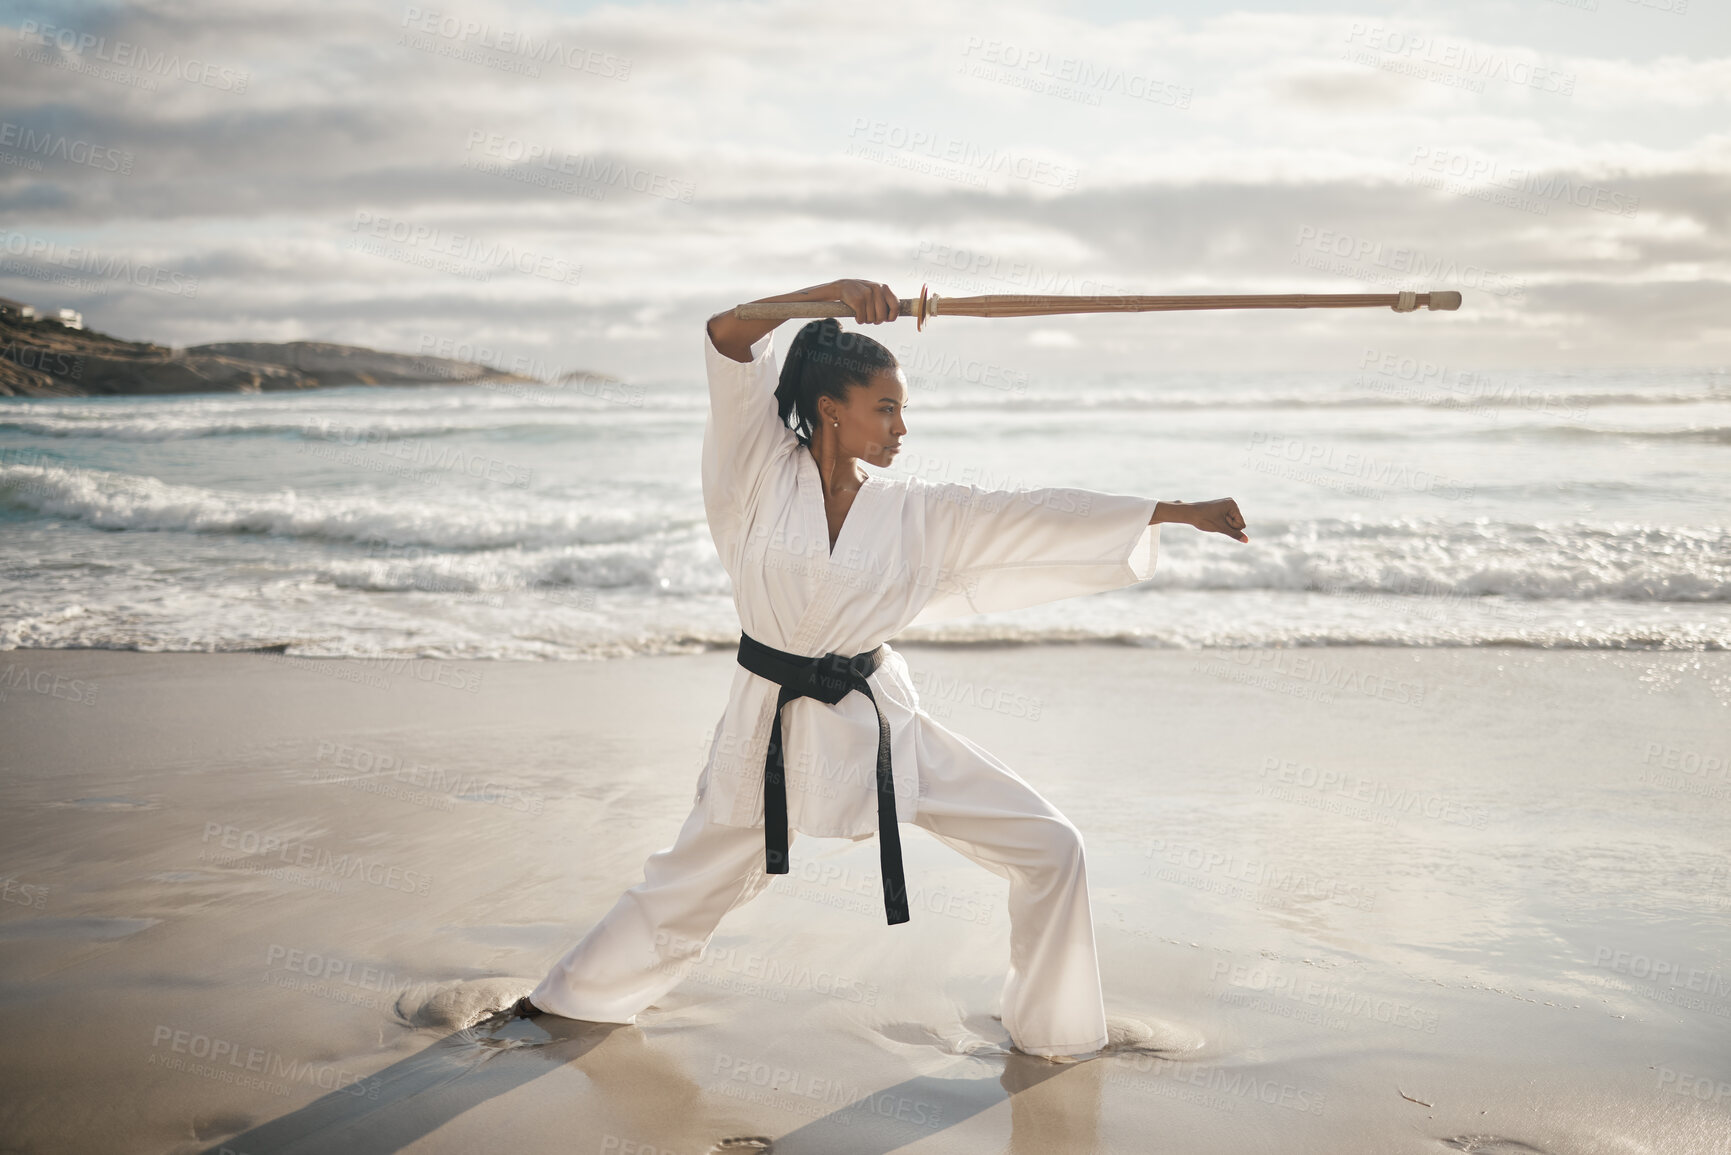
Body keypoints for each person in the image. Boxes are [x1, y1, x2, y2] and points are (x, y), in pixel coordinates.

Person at [508, 278, 1249, 1062]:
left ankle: (1053, 1030)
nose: (902, 427)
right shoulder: (752, 468)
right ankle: (558, 1006)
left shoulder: (915, 512)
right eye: (886, 407)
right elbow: (729, 332)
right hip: (768, 730)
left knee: (1051, 846)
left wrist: (1169, 509)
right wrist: (829, 293)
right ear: (831, 407)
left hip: (881, 725)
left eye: (902, 408)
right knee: (682, 889)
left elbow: (1029, 511)